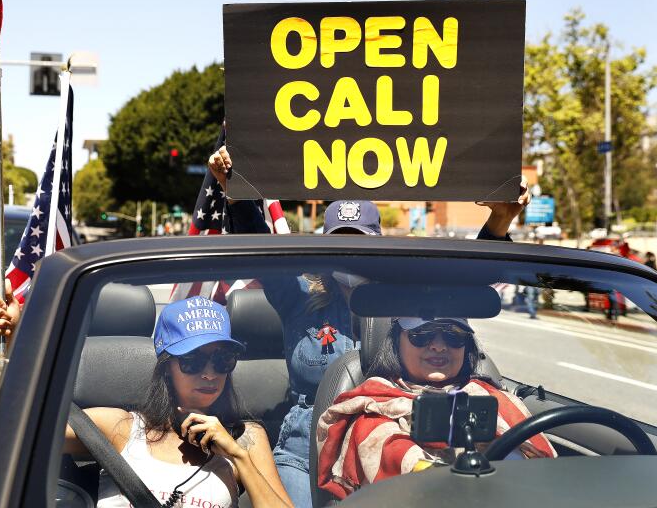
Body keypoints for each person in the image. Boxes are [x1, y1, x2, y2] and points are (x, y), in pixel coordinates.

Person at [207, 145, 531, 507]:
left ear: (380, 247)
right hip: (304, 450)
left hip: (395, 438)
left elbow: (463, 287)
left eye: (361, 243)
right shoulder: (298, 296)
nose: (352, 254)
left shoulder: (406, 301)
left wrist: (500, 221)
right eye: (341, 243)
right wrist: (237, 192)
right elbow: (260, 250)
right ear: (323, 249)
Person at [0, 284, 293, 508]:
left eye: (223, 360)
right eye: (193, 361)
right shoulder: (122, 427)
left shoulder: (246, 438)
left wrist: (237, 457)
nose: (210, 373)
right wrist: (2, 345)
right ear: (167, 367)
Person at [316, 317, 556, 499]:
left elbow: (542, 475)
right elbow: (393, 456)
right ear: (395, 343)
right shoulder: (372, 406)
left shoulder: (496, 398)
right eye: (422, 334)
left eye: (454, 336)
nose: (439, 346)